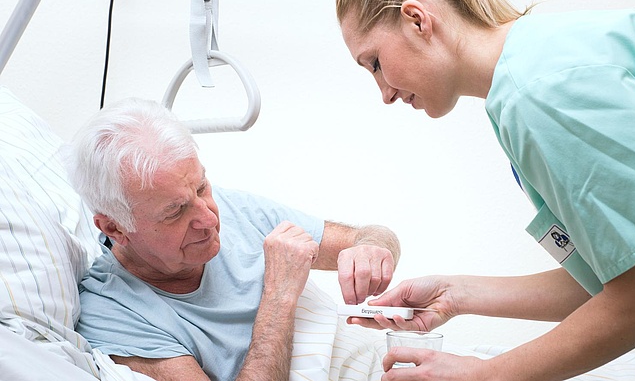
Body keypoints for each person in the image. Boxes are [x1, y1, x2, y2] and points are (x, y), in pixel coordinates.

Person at [335, 0, 635, 380]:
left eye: (375, 63)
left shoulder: (542, 91)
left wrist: (483, 375)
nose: (384, 93)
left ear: (417, 20)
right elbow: (628, 271)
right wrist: (454, 294)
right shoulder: (541, 65)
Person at [67, 98, 401, 381]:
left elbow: (369, 235)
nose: (210, 219)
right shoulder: (113, 312)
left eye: (202, 187)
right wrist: (280, 294)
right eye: (175, 211)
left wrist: (372, 248)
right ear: (115, 228)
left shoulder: (233, 208)